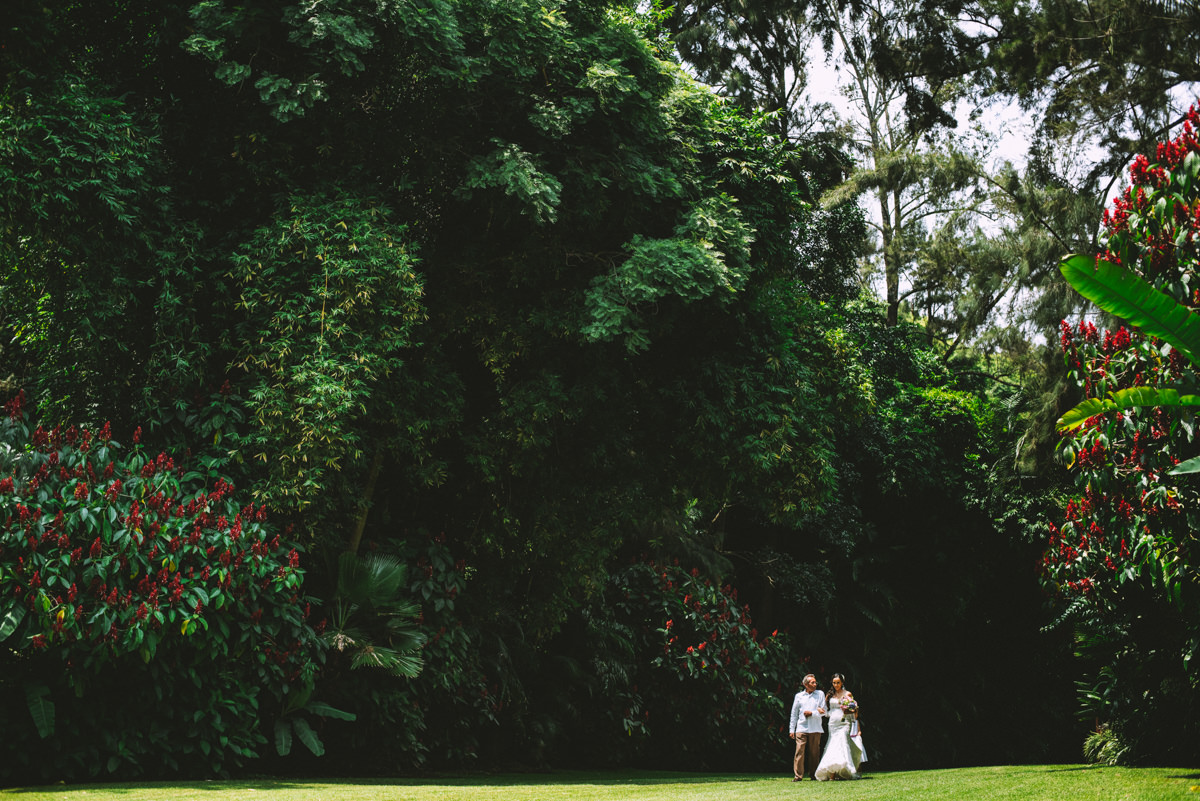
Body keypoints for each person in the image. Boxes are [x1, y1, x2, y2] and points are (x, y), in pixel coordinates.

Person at [814, 673, 867, 781]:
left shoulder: (848, 694)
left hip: (844, 723)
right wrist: (822, 711)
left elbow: (854, 711)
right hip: (833, 723)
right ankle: (833, 771)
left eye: (838, 682)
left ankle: (837, 772)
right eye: (834, 683)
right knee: (832, 745)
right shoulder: (829, 695)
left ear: (842, 682)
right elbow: (828, 712)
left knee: (842, 744)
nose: (836, 685)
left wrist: (848, 710)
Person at [788, 674, 827, 781]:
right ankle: (798, 776)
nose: (815, 684)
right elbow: (794, 713)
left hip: (815, 728)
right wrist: (792, 729)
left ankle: (813, 774)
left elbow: (824, 711)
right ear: (805, 684)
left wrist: (813, 713)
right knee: (799, 752)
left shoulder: (820, 694)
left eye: (815, 682)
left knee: (814, 753)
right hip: (801, 727)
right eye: (812, 682)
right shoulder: (799, 696)